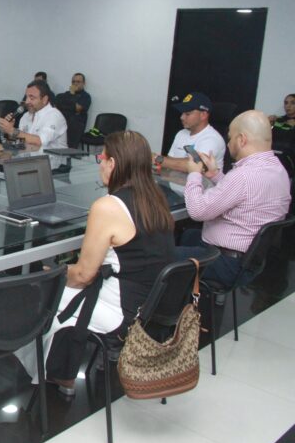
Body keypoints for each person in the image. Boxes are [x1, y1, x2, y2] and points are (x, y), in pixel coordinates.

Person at [15, 130, 176, 395]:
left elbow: (83, 275)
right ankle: (60, 367)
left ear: (113, 164)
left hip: (120, 312)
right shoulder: (156, 198)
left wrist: (53, 272)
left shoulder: (108, 206)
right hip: (150, 306)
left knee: (38, 293)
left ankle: (57, 374)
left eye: (101, 157)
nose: (99, 163)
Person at [176, 110, 291, 289]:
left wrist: (194, 173)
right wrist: (215, 175)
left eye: (230, 138)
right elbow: (245, 196)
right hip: (250, 262)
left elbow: (197, 211)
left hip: (225, 264)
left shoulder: (243, 175)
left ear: (242, 140)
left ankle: (168, 307)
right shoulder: (278, 170)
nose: (228, 144)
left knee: (158, 256)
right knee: (189, 235)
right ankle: (188, 297)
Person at [153, 92, 226, 173]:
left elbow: (196, 166)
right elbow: (169, 162)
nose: (182, 117)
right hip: (175, 183)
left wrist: (156, 158)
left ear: (203, 115)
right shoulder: (181, 133)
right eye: (182, 113)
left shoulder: (212, 139)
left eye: (187, 114)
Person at [0, 79, 67, 150]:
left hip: (51, 160)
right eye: (26, 97)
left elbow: (39, 141)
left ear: (44, 99)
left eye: (32, 98)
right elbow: (22, 141)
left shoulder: (54, 116)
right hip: (28, 158)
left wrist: (12, 131)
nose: (27, 101)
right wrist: (7, 131)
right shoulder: (26, 116)